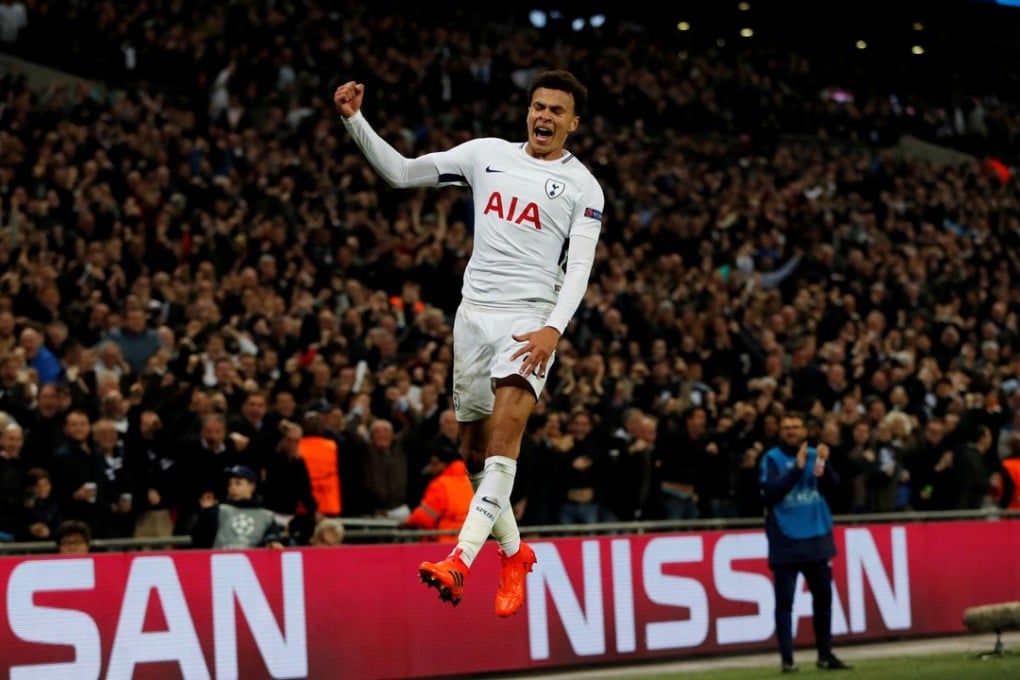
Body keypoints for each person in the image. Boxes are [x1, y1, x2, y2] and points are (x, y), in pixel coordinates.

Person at [334, 67, 604, 617]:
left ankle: (459, 559)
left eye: (556, 110)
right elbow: (403, 174)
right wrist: (355, 121)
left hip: (528, 322)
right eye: (538, 107)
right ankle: (514, 552)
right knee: (472, 453)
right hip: (472, 317)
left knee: (505, 442)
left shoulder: (584, 187)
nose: (544, 117)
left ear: (574, 123)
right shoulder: (486, 155)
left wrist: (554, 327)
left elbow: (579, 267)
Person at [759, 412, 851, 673]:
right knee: (785, 603)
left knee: (823, 600)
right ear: (779, 431)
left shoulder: (814, 454)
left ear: (804, 431)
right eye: (786, 427)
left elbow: (833, 487)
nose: (791, 431)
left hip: (817, 537)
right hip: (786, 540)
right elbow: (770, 493)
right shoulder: (772, 458)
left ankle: (825, 655)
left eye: (795, 427)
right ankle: (787, 660)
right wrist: (797, 469)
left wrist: (824, 462)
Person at [189, 464, 285, 550]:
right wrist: (206, 513)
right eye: (230, 484)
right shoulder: (218, 510)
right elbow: (199, 540)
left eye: (238, 483)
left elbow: (273, 538)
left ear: (252, 486)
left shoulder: (266, 516)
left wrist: (272, 542)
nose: (232, 487)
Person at [404, 443, 472, 543]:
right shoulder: (470, 481)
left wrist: (407, 521)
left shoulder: (440, 484)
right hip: (470, 541)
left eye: (434, 463)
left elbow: (425, 517)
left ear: (442, 464)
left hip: (445, 541)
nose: (431, 468)